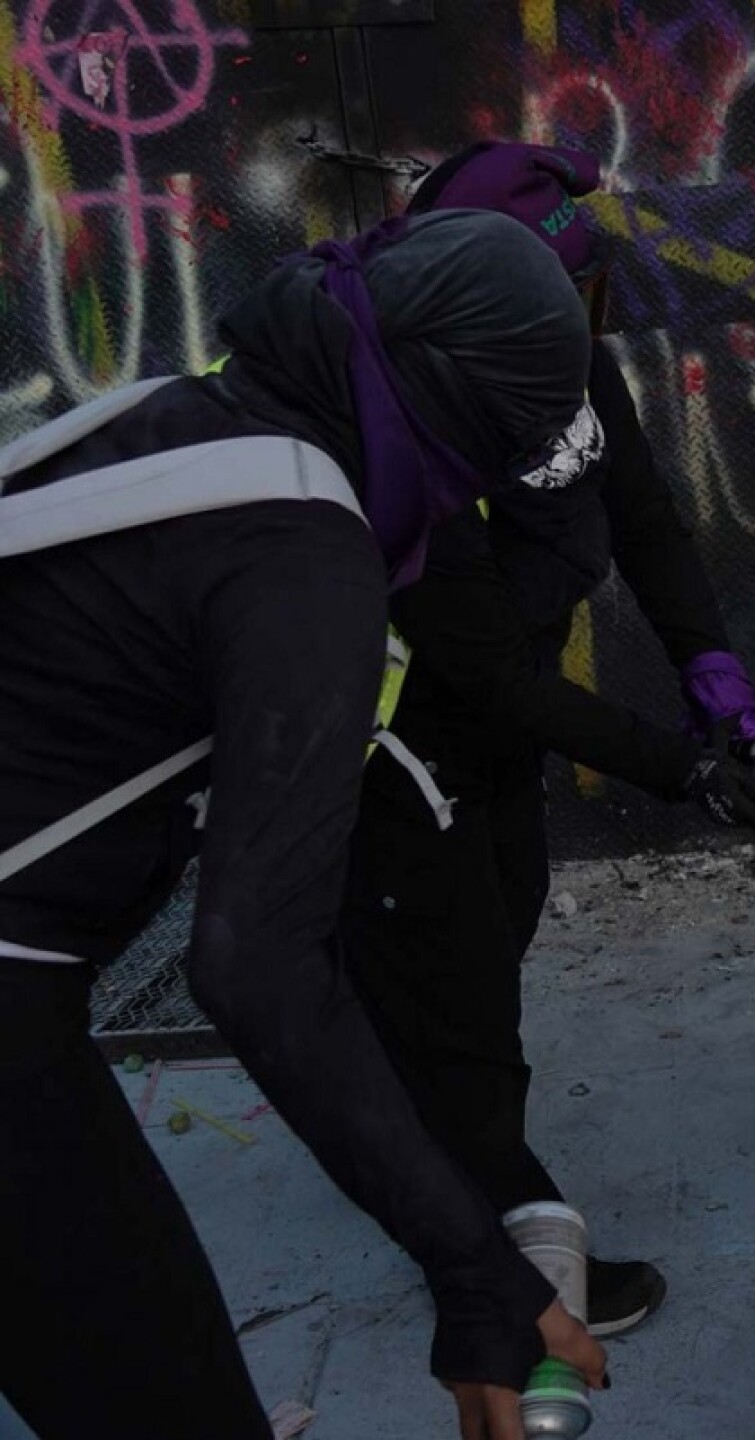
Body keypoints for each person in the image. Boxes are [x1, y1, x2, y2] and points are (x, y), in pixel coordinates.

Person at [0, 210, 609, 1440]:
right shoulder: (305, 550)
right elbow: (257, 962)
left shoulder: (171, 423)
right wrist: (473, 1271)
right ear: (457, 424)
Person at [337, 141, 755, 1338]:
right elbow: (475, 667)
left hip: (495, 728)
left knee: (502, 924)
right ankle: (502, 1261)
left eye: (587, 301)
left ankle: (417, 1132)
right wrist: (680, 768)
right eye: (553, 297)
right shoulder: (406, 420)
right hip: (385, 749)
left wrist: (712, 671)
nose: (575, 330)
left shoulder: (566, 368)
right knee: (456, 995)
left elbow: (641, 516)